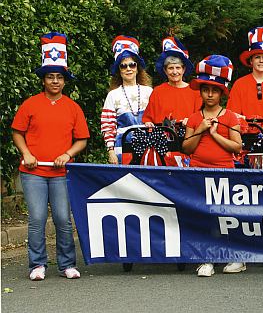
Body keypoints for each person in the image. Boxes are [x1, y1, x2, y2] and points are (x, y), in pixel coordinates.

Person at [11, 32, 90, 281]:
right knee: (36, 218)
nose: (55, 81)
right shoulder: (30, 104)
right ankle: (37, 264)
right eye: (50, 76)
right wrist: (27, 153)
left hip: (60, 172)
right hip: (33, 172)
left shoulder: (72, 107)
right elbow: (17, 132)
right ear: (43, 80)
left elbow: (82, 139)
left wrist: (67, 154)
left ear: (65, 81)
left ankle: (67, 264)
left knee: (63, 219)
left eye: (59, 77)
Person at [182, 55, 244, 277]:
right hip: (198, 170)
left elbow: (237, 147)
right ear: (200, 91)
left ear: (221, 93)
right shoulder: (193, 118)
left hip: (225, 171)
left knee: (225, 215)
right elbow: (187, 148)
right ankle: (206, 258)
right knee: (203, 215)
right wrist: (200, 129)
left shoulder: (230, 117)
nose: (209, 94)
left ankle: (234, 257)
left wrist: (215, 134)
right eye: (206, 89)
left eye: (214, 90)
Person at [101, 36, 153, 164]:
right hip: (122, 147)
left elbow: (157, 120)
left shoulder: (149, 91)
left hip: (148, 146)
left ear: (137, 67)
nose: (128, 69)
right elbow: (108, 125)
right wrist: (110, 151)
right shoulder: (113, 95)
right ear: (119, 70)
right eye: (123, 66)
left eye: (132, 65)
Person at [143, 37, 201, 127]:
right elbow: (148, 118)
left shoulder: (195, 91)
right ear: (165, 71)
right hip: (162, 138)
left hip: (188, 137)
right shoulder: (157, 91)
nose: (174, 72)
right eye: (170, 68)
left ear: (183, 69)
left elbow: (201, 117)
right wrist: (148, 123)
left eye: (178, 68)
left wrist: (191, 120)